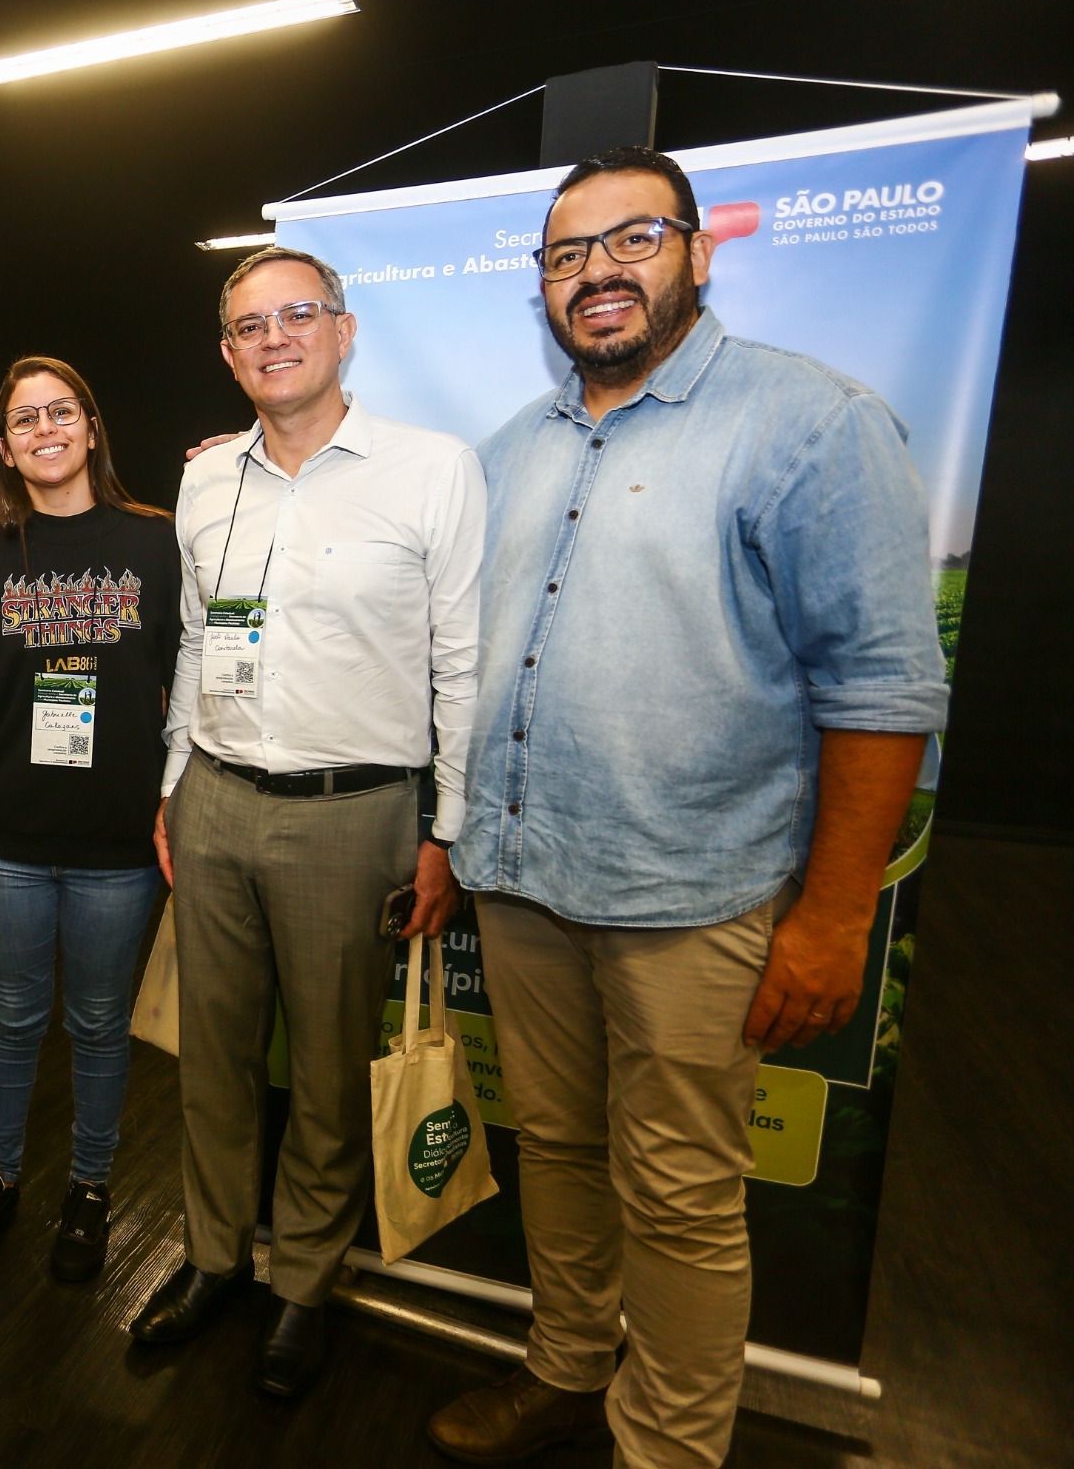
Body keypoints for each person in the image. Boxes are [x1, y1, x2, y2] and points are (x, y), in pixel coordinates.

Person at [429, 148, 949, 1468]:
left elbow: (884, 692)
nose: (596, 272)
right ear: (541, 285)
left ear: (699, 255)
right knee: (555, 1148)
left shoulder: (814, 423)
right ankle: (564, 1371)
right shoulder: (511, 449)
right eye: (565, 254)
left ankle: (665, 1448)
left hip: (693, 900)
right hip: (529, 882)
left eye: (633, 240)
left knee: (679, 1197)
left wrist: (833, 919)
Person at [128, 247, 485, 1396]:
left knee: (330, 1073)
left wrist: (448, 832)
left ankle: (304, 1287)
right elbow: (195, 640)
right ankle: (215, 1259)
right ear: (227, 353)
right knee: (212, 1063)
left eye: (296, 316)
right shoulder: (204, 478)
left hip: (355, 814)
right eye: (246, 325)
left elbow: (463, 667)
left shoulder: (433, 470)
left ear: (342, 331)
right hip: (218, 801)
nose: (272, 338)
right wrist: (176, 781)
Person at [0, 356, 180, 1279]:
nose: (45, 430)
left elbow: (187, 689)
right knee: (13, 1018)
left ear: (91, 425)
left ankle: (90, 1191)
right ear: (5, 445)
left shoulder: (155, 541)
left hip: (118, 843)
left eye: (60, 412)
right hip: (10, 841)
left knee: (102, 1026)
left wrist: (173, 803)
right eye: (23, 419)